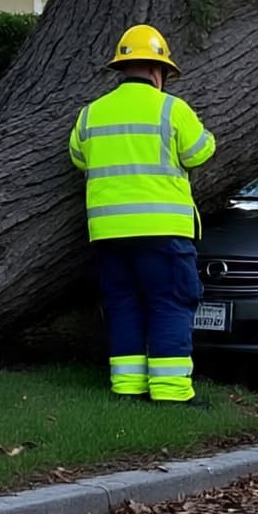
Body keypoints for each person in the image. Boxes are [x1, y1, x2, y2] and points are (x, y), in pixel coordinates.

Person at [68, 24, 216, 404]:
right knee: (170, 302)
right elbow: (200, 152)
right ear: (158, 71)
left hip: (108, 233)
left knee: (123, 304)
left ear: (123, 69)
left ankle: (127, 388)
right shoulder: (172, 109)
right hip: (163, 229)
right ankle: (171, 392)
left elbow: (78, 157)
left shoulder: (90, 115)